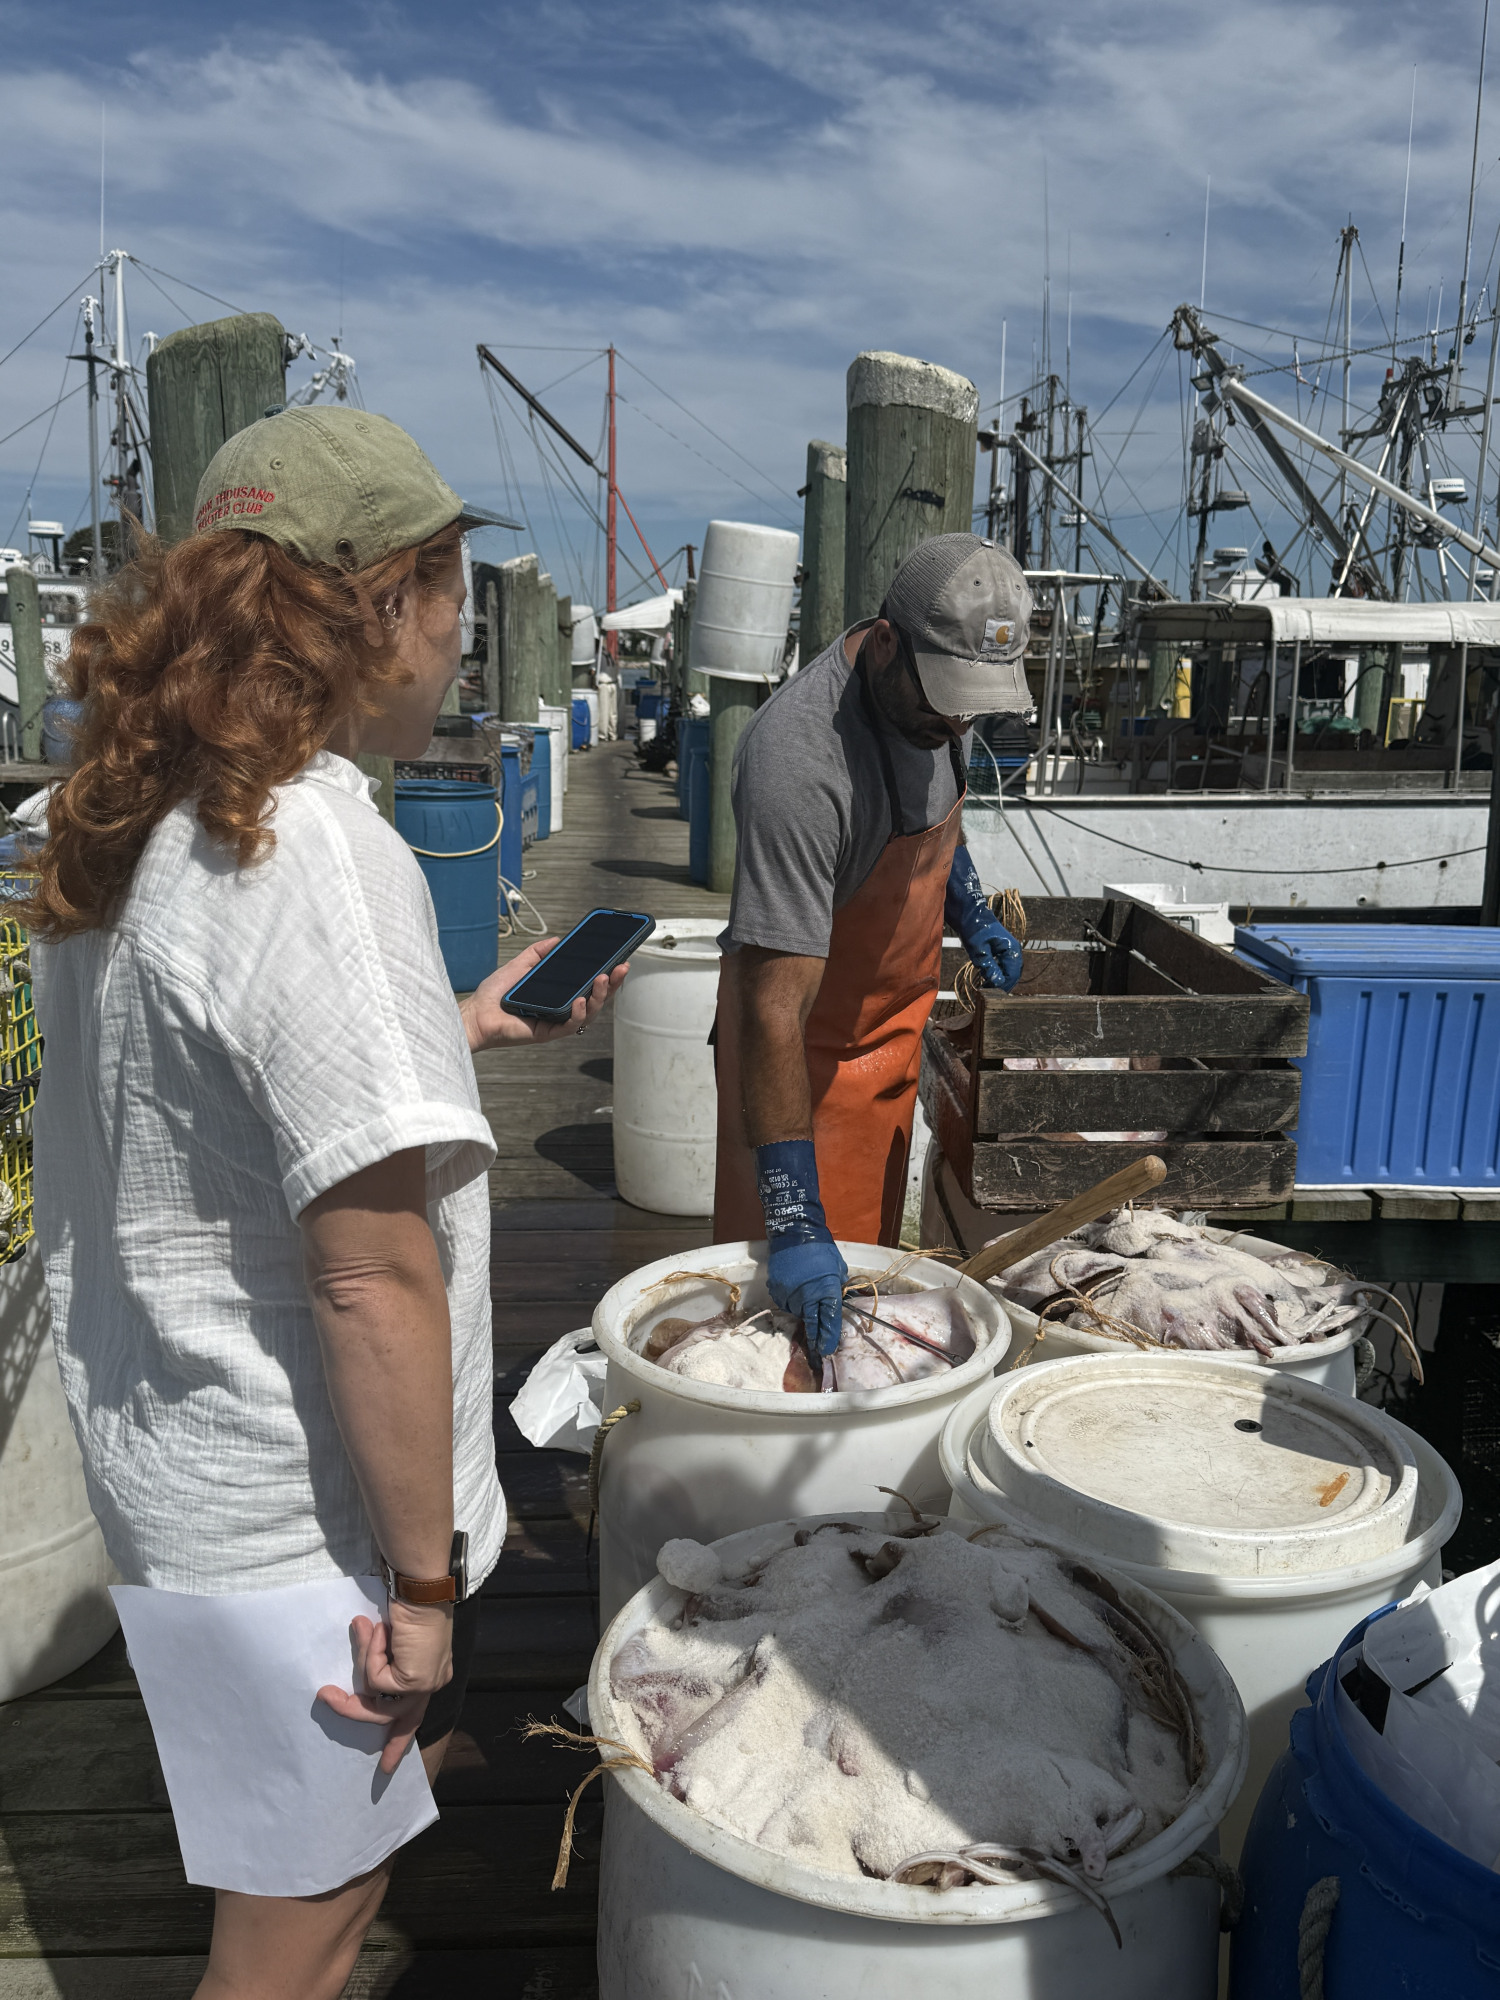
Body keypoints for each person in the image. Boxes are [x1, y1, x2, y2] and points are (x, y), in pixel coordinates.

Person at [27, 407, 625, 2000]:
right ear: (384, 601)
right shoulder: (311, 847)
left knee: (303, 1907)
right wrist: (425, 1591)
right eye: (454, 591)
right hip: (305, 1532)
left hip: (179, 1462)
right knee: (300, 1939)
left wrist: (459, 1025)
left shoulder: (140, 809)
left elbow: (209, 1102)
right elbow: (372, 1279)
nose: (459, 631)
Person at [712, 532, 1032, 1360]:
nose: (954, 721)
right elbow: (771, 1006)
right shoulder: (801, 762)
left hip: (891, 1051)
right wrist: (791, 1214)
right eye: (942, 701)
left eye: (971, 704)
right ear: (887, 642)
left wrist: (970, 909)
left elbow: (932, 817)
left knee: (875, 1303)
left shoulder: (936, 701)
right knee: (784, 1342)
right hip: (797, 1076)